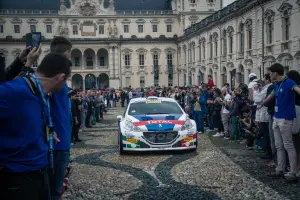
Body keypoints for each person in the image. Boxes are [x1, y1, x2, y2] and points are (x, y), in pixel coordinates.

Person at [4, 36, 73, 199]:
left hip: (38, 165)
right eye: (66, 80)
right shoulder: (18, 91)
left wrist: (47, 129)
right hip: (20, 171)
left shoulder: (37, 92)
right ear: (60, 77)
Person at [263, 63, 300, 183]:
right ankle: (280, 168)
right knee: (279, 145)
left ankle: (292, 172)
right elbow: (271, 97)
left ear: (275, 73)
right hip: (277, 117)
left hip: (286, 118)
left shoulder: (289, 82)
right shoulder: (276, 85)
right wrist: (266, 100)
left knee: (288, 145)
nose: (270, 75)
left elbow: (297, 90)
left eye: (271, 73)